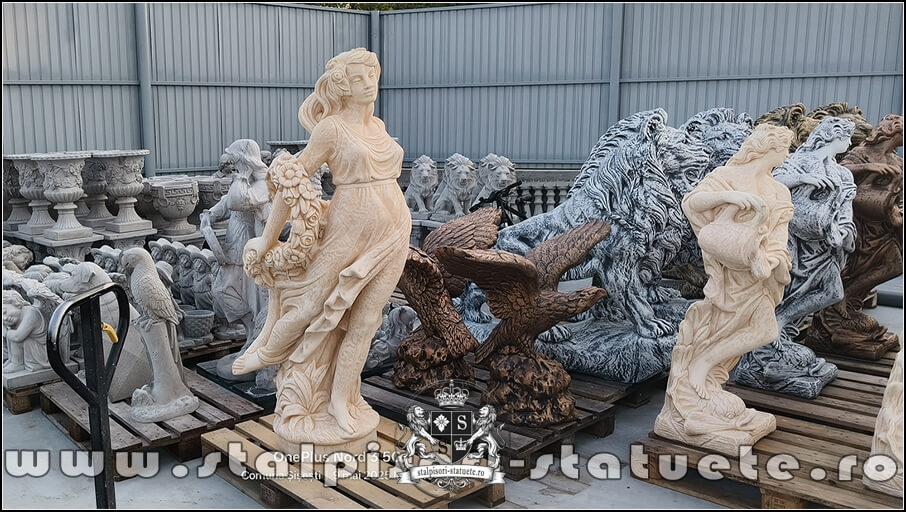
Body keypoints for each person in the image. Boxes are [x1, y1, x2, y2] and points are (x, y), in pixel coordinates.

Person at [235, 48, 411, 439]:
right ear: (343, 86)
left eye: (372, 75)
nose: (369, 84)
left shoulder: (378, 126)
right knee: (311, 302)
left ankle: (343, 400)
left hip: (395, 229)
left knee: (366, 320)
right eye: (359, 78)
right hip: (350, 226)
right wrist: (267, 238)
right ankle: (266, 350)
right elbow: (292, 180)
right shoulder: (331, 128)